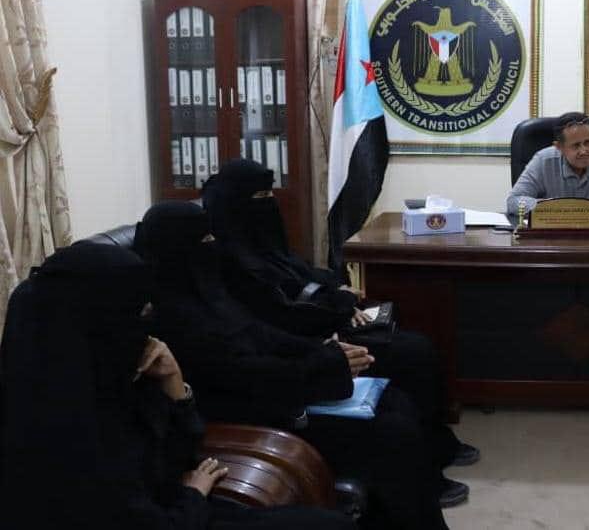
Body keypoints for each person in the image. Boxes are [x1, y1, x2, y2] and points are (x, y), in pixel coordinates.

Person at [135, 201, 457, 529]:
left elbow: (261, 333)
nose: (213, 245)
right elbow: (240, 373)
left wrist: (325, 351)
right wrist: (323, 366)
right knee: (393, 432)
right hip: (254, 412)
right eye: (204, 240)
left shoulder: (208, 292)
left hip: (283, 388)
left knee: (396, 402)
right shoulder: (169, 318)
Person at [0, 241, 355, 530]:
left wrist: (175, 386)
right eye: (139, 313)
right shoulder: (56, 434)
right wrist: (193, 496)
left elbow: (179, 454)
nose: (148, 327)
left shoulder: (108, 378)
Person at [200, 160, 479, 475]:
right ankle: (427, 452)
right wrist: (337, 312)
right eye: (261, 196)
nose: (270, 202)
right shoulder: (228, 257)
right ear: (235, 201)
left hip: (319, 324)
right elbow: (275, 311)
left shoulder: (260, 241)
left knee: (415, 344)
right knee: (411, 353)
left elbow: (298, 270)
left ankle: (435, 443)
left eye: (270, 193)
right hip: (306, 337)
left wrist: (338, 290)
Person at [506, 111, 589, 216]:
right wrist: (556, 210)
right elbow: (514, 200)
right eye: (576, 145)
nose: (584, 151)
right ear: (559, 147)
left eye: (588, 142)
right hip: (553, 233)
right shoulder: (543, 160)